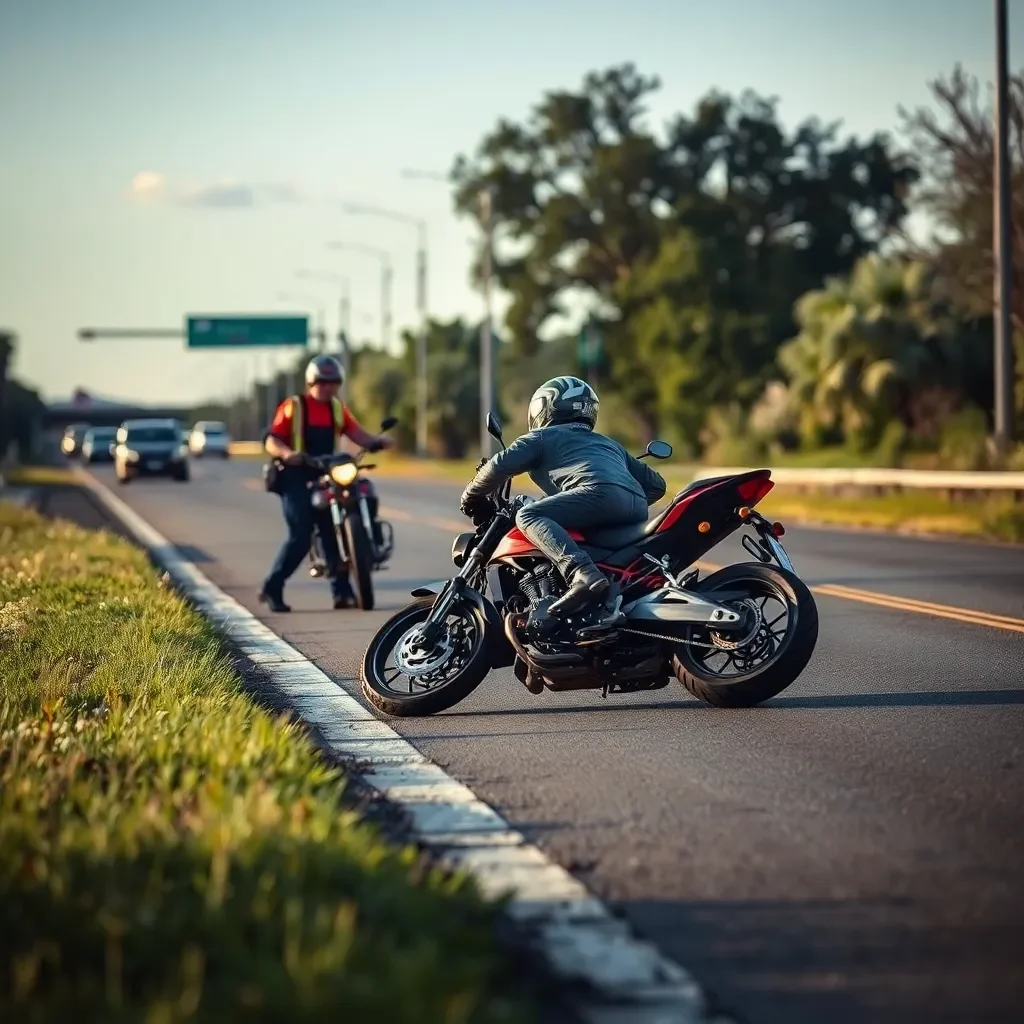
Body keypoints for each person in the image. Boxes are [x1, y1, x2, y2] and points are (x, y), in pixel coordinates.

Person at [459, 376, 667, 625]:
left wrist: (470, 496)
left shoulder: (542, 438)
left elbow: (498, 465)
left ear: (545, 407)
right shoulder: (607, 442)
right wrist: (617, 499)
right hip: (636, 506)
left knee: (528, 515)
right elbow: (656, 485)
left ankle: (582, 573)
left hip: (598, 495)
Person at [259, 355, 395, 612]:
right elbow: (271, 439)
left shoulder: (336, 408)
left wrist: (376, 442)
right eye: (323, 381)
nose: (329, 386)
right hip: (294, 476)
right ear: (311, 381)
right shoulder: (294, 406)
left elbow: (356, 433)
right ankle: (272, 586)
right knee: (301, 534)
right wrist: (287, 454)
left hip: (327, 473)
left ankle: (342, 592)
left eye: (334, 382)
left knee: (331, 527)